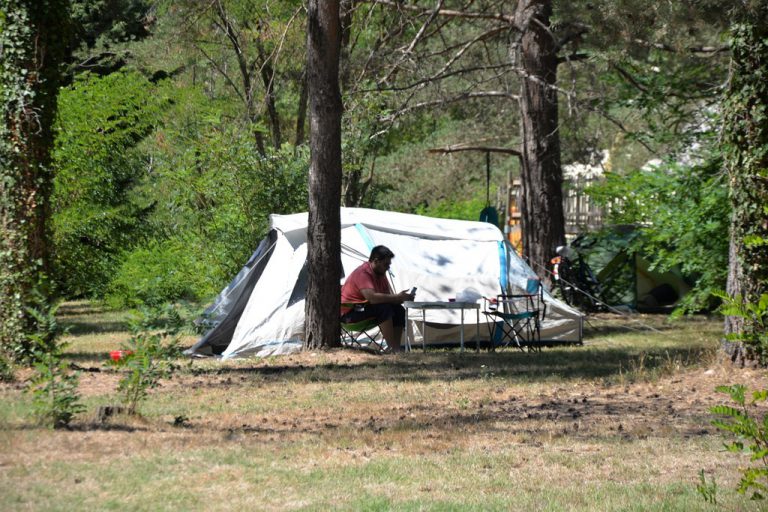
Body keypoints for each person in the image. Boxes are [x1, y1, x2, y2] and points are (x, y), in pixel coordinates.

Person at [340, 245, 415, 352]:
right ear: (376, 261)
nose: (388, 268)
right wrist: (396, 297)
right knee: (383, 308)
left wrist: (400, 299)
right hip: (349, 314)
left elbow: (387, 298)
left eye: (389, 265)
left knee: (398, 309)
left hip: (364, 309)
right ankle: (392, 348)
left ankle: (396, 348)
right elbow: (372, 298)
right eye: (386, 264)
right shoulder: (363, 273)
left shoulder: (381, 273)